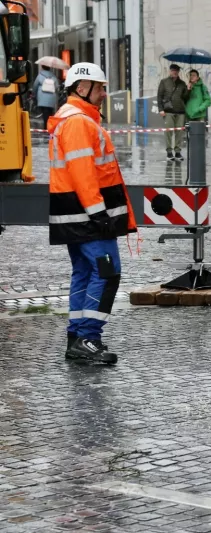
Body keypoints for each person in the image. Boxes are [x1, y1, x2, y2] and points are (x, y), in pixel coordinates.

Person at [48, 62, 136, 365]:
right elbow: (84, 174)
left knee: (85, 273)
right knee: (107, 271)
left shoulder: (76, 120)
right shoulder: (78, 123)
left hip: (77, 216)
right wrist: (100, 215)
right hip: (89, 219)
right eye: (100, 88)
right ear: (81, 88)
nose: (103, 94)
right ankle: (88, 337)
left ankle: (77, 337)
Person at [157, 63, 189, 162]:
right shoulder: (164, 82)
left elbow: (185, 98)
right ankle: (169, 152)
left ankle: (178, 152)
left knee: (179, 132)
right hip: (168, 112)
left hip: (180, 112)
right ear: (170, 71)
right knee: (168, 132)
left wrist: (188, 90)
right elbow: (159, 96)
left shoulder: (182, 83)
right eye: (173, 70)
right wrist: (161, 109)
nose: (174, 72)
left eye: (176, 71)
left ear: (178, 72)